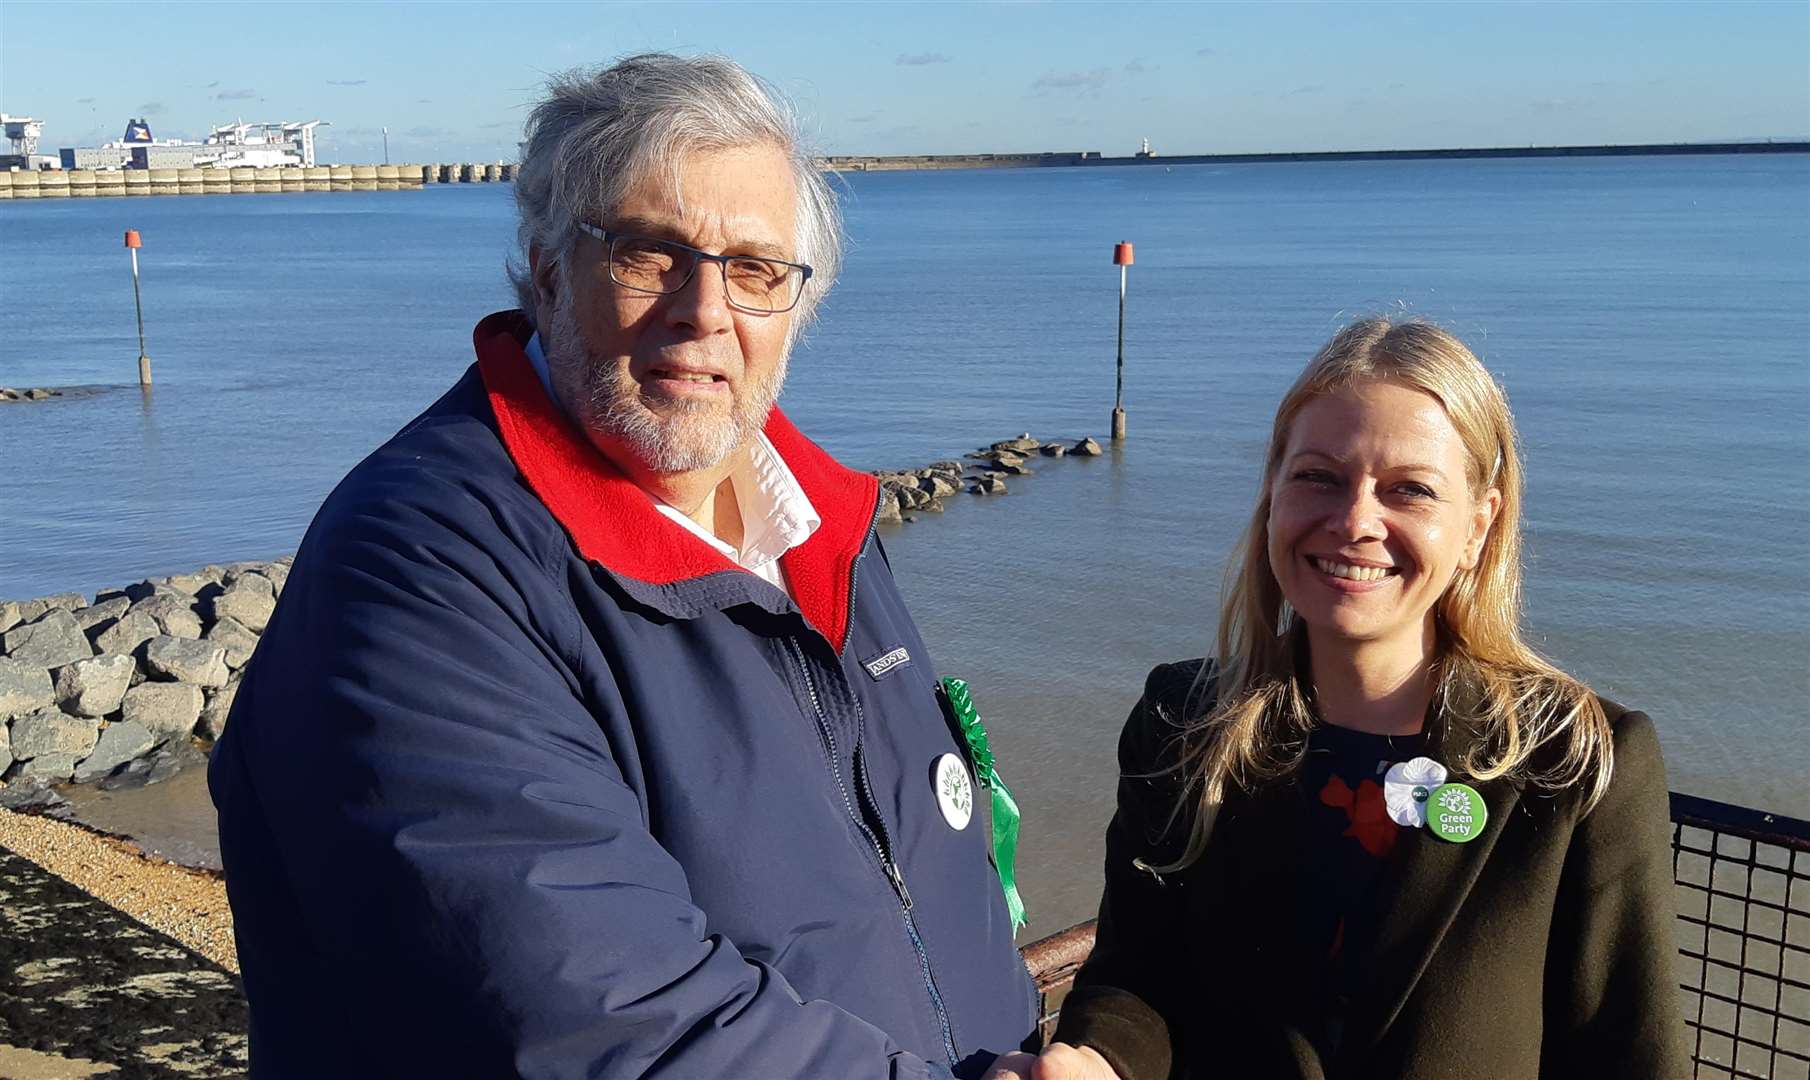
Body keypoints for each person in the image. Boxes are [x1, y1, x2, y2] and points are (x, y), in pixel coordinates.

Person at [209, 53, 1037, 1079]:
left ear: (795, 304)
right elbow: (603, 1023)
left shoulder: (825, 529)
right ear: (549, 268)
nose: (704, 308)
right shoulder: (418, 568)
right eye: (650, 253)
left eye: (755, 270)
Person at [1034, 319, 1688, 1079]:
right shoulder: (1182, 724)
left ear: (1478, 527)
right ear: (1273, 490)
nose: (1354, 522)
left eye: (1410, 489)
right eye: (1318, 475)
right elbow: (1137, 975)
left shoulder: (1577, 763)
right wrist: (1097, 1059)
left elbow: (1626, 1056)